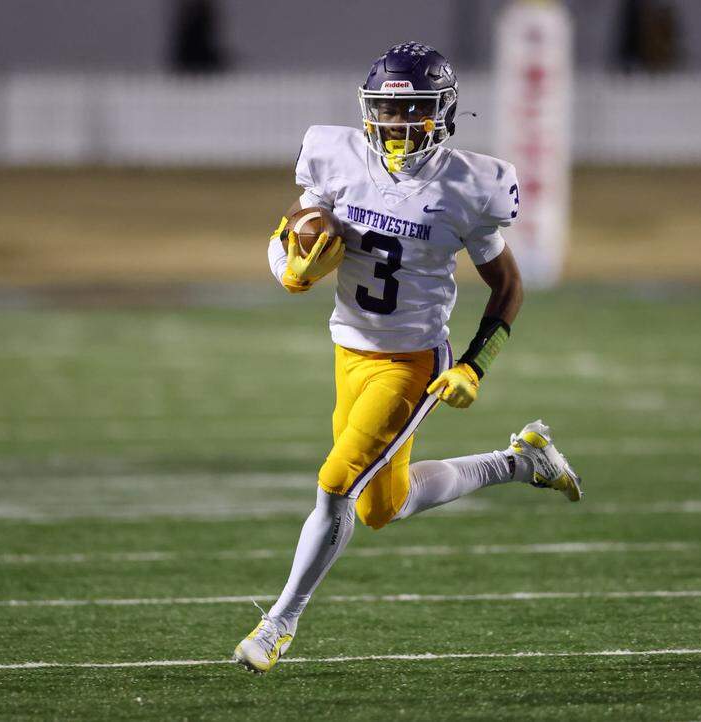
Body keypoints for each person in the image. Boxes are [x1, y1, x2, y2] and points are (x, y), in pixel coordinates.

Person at [233, 42, 583, 675]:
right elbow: (292, 224)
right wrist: (286, 265)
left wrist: (474, 365)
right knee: (380, 506)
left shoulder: (468, 186)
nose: (395, 124)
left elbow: (508, 286)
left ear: (442, 111)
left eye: (412, 110)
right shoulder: (336, 156)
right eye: (386, 110)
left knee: (337, 484)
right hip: (348, 349)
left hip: (411, 362)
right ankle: (521, 461)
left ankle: (278, 624)